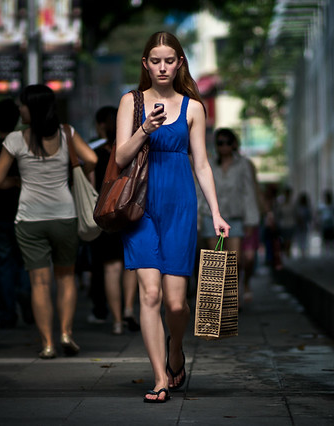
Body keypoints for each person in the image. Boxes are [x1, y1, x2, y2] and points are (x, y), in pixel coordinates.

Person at [115, 31, 230, 403]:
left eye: (169, 60)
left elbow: (201, 164)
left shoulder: (194, 107)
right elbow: (119, 158)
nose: (162, 67)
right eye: (155, 60)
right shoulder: (130, 103)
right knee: (149, 293)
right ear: (144, 64)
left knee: (177, 303)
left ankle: (175, 348)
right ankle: (160, 376)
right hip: (140, 206)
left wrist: (215, 211)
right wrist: (145, 129)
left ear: (180, 62)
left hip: (181, 207)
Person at [0, 84, 97, 359]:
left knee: (39, 282)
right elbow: (93, 159)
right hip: (65, 215)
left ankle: (48, 343)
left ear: (32, 107)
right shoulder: (67, 133)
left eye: (22, 105)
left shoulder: (15, 139)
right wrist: (75, 175)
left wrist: (17, 181)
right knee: (65, 278)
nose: (19, 109)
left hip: (30, 219)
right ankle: (66, 333)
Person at [0, 98, 33, 329]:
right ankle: (26, 296)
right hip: (23, 210)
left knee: (2, 263)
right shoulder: (24, 144)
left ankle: (7, 313)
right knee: (25, 261)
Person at [89, 106, 140, 335]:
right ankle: (129, 308)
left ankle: (117, 321)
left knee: (111, 269)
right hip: (130, 213)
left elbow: (91, 188)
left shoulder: (95, 154)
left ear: (101, 125)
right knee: (131, 266)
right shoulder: (134, 149)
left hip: (107, 216)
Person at [199, 128, 259, 305]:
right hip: (211, 216)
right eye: (219, 143)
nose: (223, 146)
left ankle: (233, 294)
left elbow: (248, 192)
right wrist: (199, 217)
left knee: (235, 259)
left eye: (226, 142)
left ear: (233, 144)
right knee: (216, 260)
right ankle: (219, 302)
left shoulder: (243, 165)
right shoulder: (208, 164)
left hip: (235, 217)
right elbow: (201, 191)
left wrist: (251, 220)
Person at [317, 189, 334, 255]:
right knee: (325, 238)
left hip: (331, 224)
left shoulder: (333, 206)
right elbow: (318, 214)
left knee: (331, 238)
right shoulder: (322, 206)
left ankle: (332, 251)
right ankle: (326, 251)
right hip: (324, 224)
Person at [294, 191, 313, 258]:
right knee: (301, 238)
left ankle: (303, 251)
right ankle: (302, 251)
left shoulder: (305, 208)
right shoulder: (300, 207)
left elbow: (309, 217)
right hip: (300, 225)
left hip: (303, 225)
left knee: (303, 238)